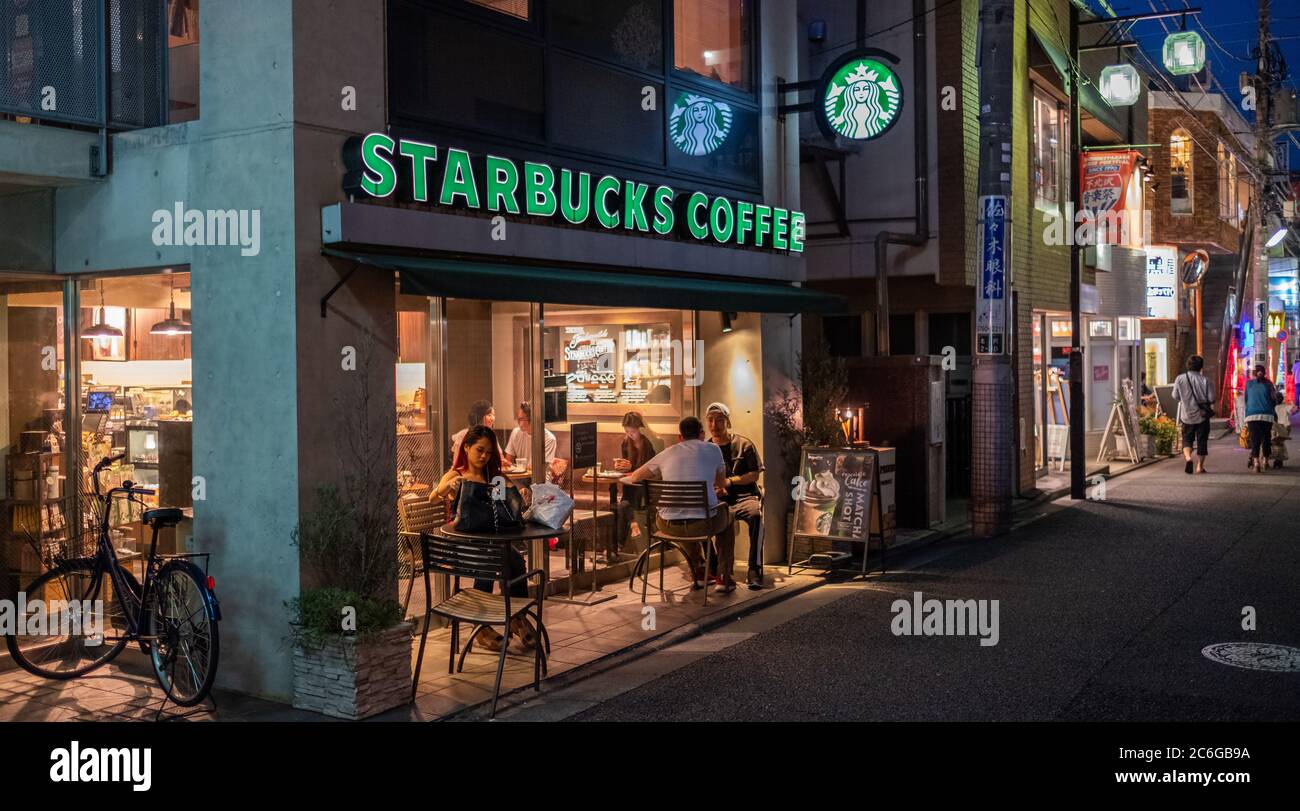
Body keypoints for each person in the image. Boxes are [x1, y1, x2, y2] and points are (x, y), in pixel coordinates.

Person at [431, 425, 534, 652]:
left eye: (488, 452)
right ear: (466, 447)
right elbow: (433, 497)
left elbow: (504, 506)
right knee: (493, 561)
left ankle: (517, 616)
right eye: (479, 450)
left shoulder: (492, 477)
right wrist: (447, 487)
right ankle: (483, 625)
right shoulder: (457, 474)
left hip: (488, 543)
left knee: (515, 561)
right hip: (462, 545)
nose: (483, 456)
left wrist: (516, 491)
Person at [621, 415, 736, 592]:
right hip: (702, 525)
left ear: (680, 437)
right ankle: (723, 577)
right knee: (729, 516)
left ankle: (697, 573)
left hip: (668, 526)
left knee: (682, 515)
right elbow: (720, 483)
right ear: (701, 433)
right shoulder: (713, 449)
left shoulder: (668, 452)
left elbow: (636, 476)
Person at [704, 402, 766, 590]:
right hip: (719, 500)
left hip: (745, 497)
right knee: (699, 516)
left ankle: (754, 569)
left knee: (756, 516)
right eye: (710, 420)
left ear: (728, 422)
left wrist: (730, 482)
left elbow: (755, 474)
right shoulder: (705, 448)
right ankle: (715, 567)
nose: (714, 425)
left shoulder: (743, 445)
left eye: (719, 420)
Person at [612, 412, 657, 555]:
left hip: (645, 486)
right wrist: (621, 466)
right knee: (623, 506)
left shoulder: (649, 444)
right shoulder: (626, 443)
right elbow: (627, 467)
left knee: (624, 506)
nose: (630, 435)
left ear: (640, 429)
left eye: (632, 431)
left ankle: (619, 546)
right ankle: (621, 543)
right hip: (630, 486)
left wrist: (631, 468)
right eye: (627, 431)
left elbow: (651, 469)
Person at [1172, 355, 1214, 475]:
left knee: (1187, 439)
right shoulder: (1205, 380)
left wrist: (1185, 400)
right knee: (1202, 441)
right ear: (1201, 367)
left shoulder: (1180, 378)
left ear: (1188, 365)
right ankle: (1200, 467)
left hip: (1186, 416)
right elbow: (1212, 398)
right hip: (1202, 417)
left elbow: (1175, 396)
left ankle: (1188, 458)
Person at [503, 401, 566, 481]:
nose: (519, 423)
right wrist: (505, 463)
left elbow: (539, 469)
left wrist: (519, 468)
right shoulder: (516, 433)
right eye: (518, 419)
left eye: (521, 419)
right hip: (520, 478)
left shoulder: (549, 439)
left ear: (532, 419)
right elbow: (508, 461)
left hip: (540, 480)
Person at [1243, 365, 1279, 473]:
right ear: (1265, 373)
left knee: (1255, 439)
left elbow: (1246, 400)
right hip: (1267, 415)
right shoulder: (1269, 384)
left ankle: (1256, 463)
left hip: (1252, 415)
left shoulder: (1249, 384)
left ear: (1254, 373)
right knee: (1266, 438)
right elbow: (1274, 401)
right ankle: (1266, 462)